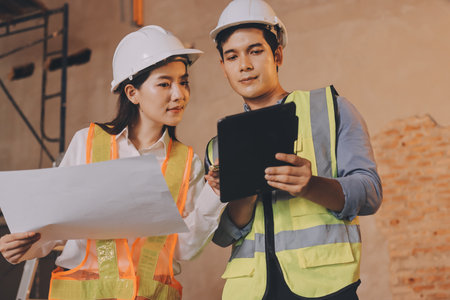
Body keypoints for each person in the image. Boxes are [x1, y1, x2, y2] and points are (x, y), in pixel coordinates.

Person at [0, 25, 225, 300]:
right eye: (165, 83)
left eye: (184, 81)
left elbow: (185, 248)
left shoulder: (188, 163)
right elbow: (54, 226)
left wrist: (215, 195)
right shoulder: (88, 143)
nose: (179, 94)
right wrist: (22, 247)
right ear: (132, 93)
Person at [204, 0, 383, 299]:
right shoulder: (219, 147)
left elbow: (371, 193)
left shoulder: (330, 109)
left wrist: (311, 185)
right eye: (232, 56)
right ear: (223, 67)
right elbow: (222, 236)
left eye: (255, 51)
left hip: (324, 285)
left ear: (278, 55)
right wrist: (243, 199)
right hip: (249, 291)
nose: (244, 65)